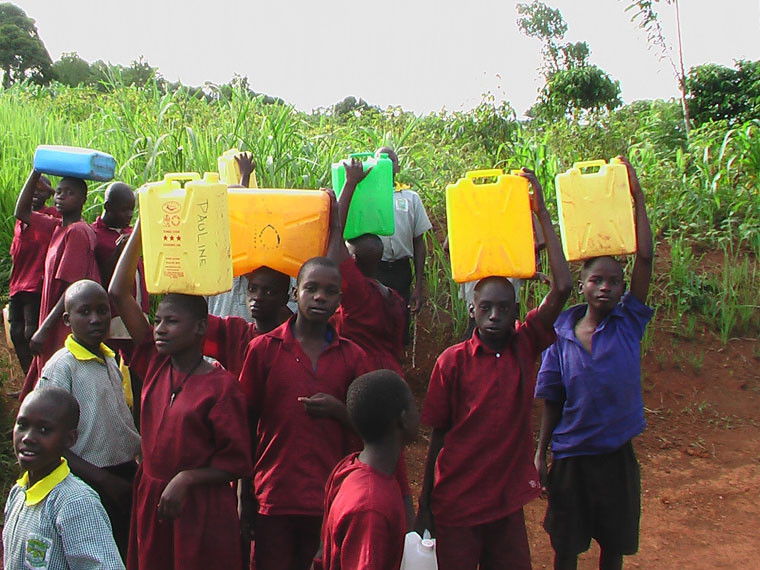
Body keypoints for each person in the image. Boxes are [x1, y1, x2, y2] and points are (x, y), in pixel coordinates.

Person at [416, 168, 572, 570]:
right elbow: (438, 438)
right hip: (456, 503)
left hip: (504, 504)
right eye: (486, 308)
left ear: (517, 313)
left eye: (504, 308)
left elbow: (563, 287)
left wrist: (539, 211)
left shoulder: (524, 345)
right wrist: (425, 505)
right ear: (472, 310)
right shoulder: (451, 362)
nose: (495, 316)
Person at [109, 220, 253, 570]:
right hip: (153, 498)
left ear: (201, 327)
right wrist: (144, 227)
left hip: (200, 507)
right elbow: (117, 293)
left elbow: (237, 462)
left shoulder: (221, 387)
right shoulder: (156, 364)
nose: (159, 329)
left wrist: (188, 477)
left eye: (171, 322)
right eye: (158, 321)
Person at [534, 157, 653, 570]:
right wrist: (541, 450)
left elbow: (646, 259)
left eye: (613, 281)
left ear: (623, 288)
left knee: (613, 546)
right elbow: (551, 397)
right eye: (596, 281)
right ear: (581, 285)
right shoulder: (559, 334)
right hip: (570, 456)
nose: (605, 287)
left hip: (615, 453)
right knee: (566, 547)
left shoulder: (628, 325)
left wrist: (636, 196)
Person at [238, 247, 369, 570]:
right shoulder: (264, 350)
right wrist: (245, 493)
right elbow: (245, 423)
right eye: (311, 288)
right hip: (274, 495)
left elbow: (372, 432)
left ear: (340, 299)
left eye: (329, 291)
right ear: (296, 294)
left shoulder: (353, 357)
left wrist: (340, 411)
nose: (319, 297)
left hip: (331, 497)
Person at [36, 279, 141, 559]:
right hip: (89, 478)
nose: (96, 319)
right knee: (97, 553)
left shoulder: (110, 359)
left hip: (124, 474)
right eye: (85, 312)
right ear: (68, 319)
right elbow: (46, 438)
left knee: (125, 550)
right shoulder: (62, 367)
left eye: (102, 311)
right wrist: (102, 480)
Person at [3, 386, 125, 569]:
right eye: (22, 425)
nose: (28, 437)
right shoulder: (19, 493)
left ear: (70, 440)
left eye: (44, 430)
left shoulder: (75, 502)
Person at [315, 370, 420, 570]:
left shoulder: (350, 468)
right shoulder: (372, 506)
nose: (419, 413)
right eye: (414, 405)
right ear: (403, 418)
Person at [19, 170, 101, 400]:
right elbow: (22, 212)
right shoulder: (57, 227)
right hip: (53, 319)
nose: (61, 197)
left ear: (83, 199)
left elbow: (72, 289)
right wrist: (35, 172)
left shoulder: (77, 232)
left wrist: (44, 328)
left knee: (58, 384)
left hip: (63, 324)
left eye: (70, 193)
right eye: (59, 192)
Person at [328, 157, 406, 374]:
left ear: (352, 260)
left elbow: (334, 233)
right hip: (391, 374)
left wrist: (350, 183)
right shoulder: (394, 297)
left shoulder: (358, 292)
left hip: (362, 374)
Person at [374, 146, 432, 343]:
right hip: (374, 270)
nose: (386, 165)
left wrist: (418, 286)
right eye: (381, 160)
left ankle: (397, 368)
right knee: (374, 324)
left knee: (399, 325)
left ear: (397, 167)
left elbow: (419, 242)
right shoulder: (366, 196)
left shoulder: (410, 198)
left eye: (391, 161)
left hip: (400, 270)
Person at [91, 182, 149, 359]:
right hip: (114, 317)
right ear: (108, 207)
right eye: (124, 210)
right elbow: (97, 277)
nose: (130, 215)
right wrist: (118, 253)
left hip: (138, 311)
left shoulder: (130, 232)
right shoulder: (94, 235)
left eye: (132, 210)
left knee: (140, 362)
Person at [8, 173, 60, 374]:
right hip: (18, 285)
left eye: (42, 191)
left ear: (48, 195)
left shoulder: (52, 215)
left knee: (31, 332)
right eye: (33, 190)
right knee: (16, 333)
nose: (36, 195)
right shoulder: (21, 221)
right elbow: (16, 254)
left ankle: (39, 379)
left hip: (36, 285)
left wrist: (53, 191)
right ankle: (27, 385)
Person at [203, 265, 292, 376]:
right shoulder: (235, 332)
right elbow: (190, 323)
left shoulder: (292, 343)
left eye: (269, 292)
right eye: (252, 289)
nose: (257, 297)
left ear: (285, 299)